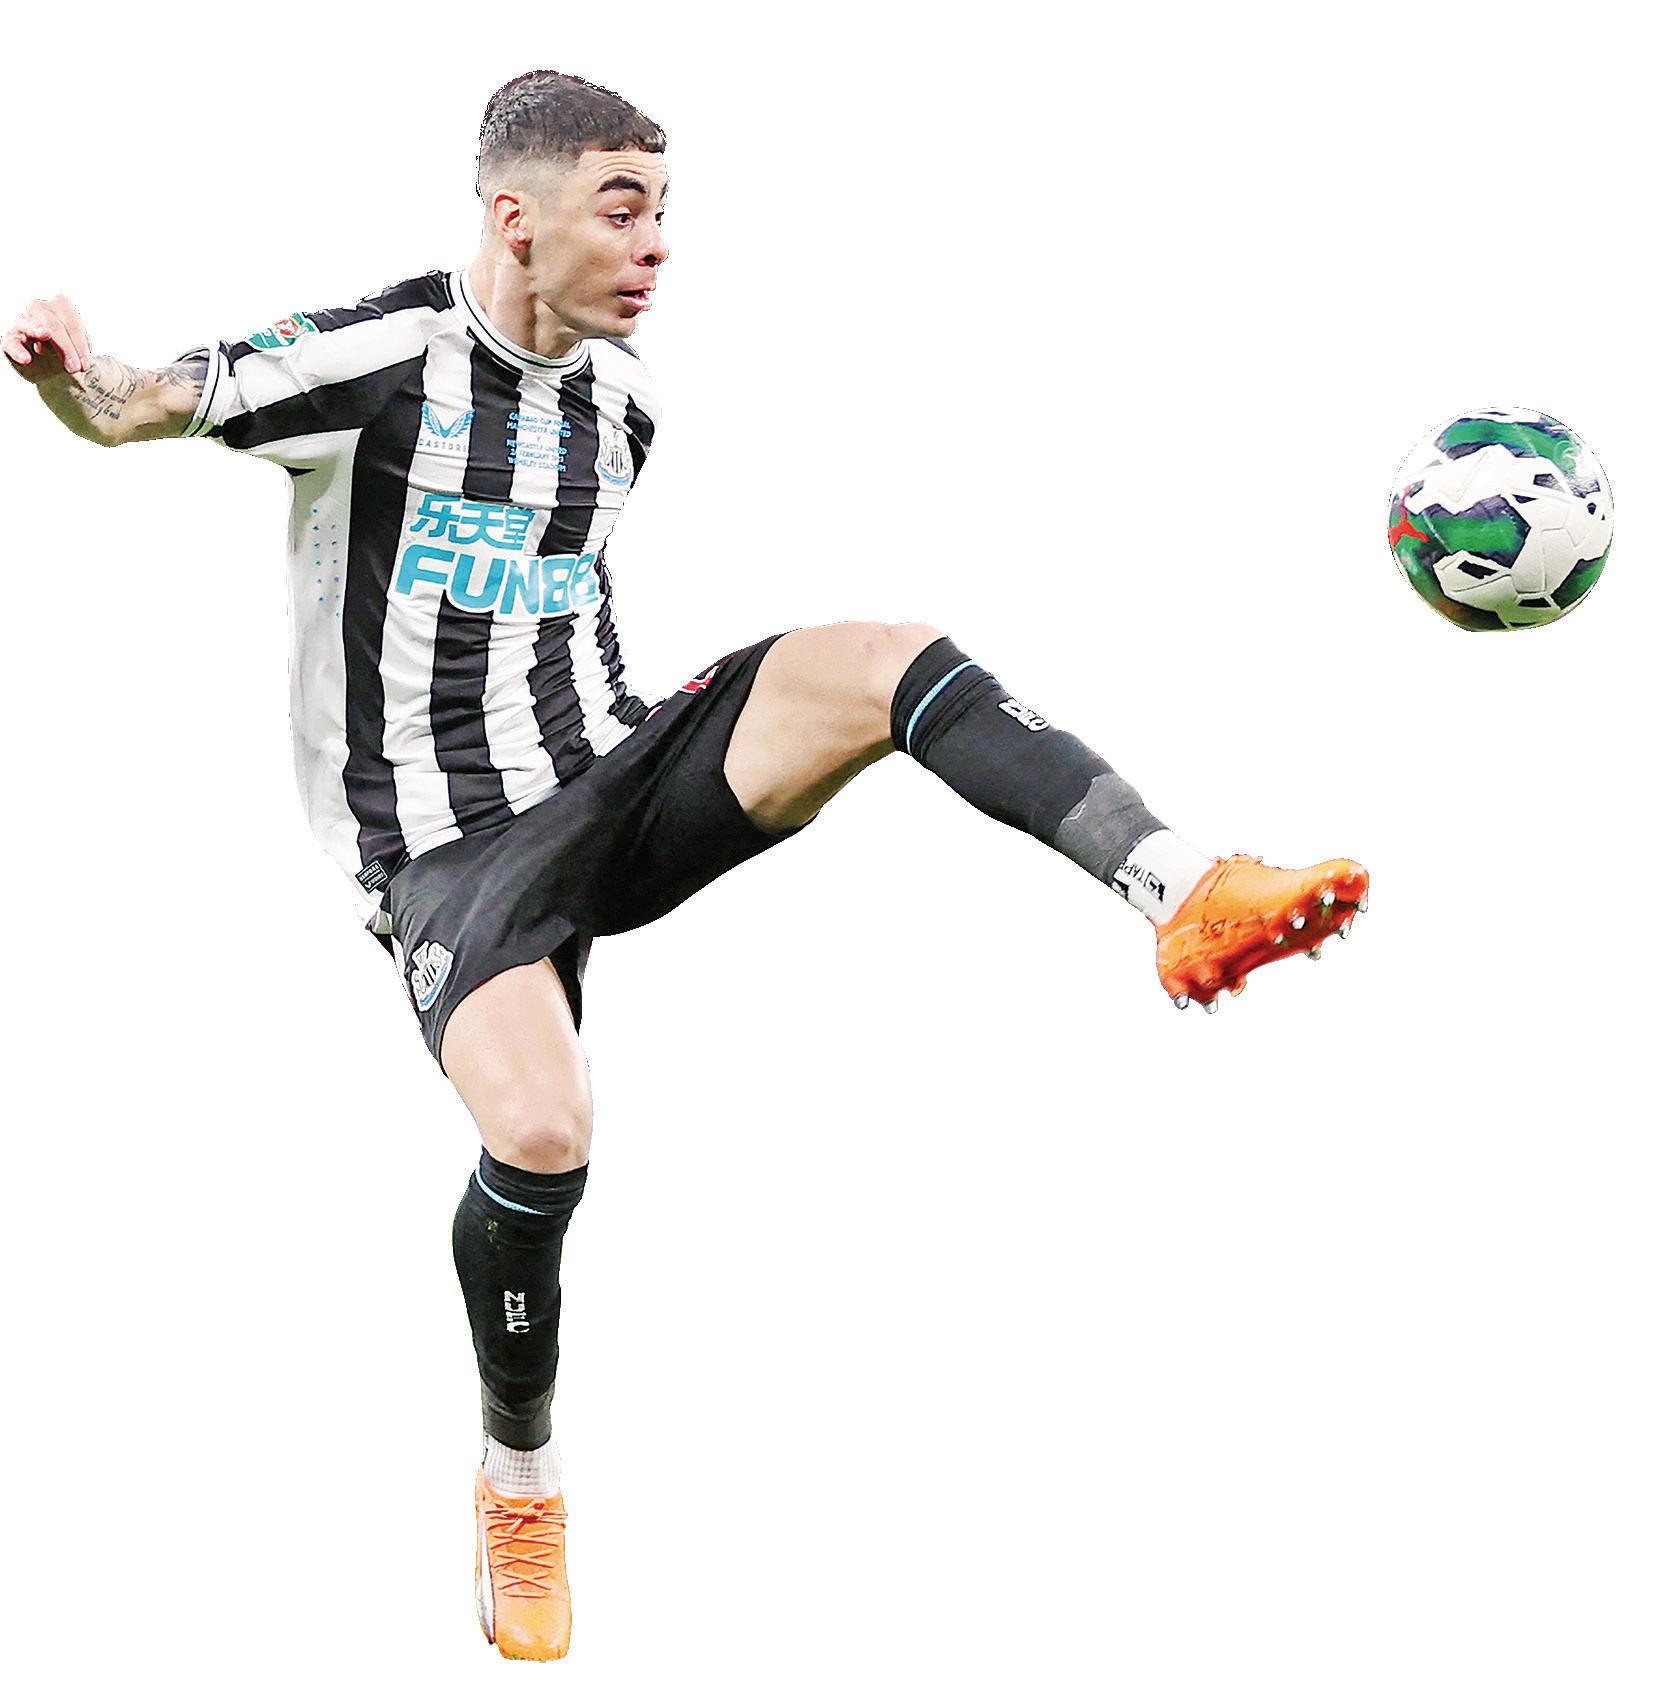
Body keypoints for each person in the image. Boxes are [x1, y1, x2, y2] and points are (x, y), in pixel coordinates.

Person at [4, 69, 1369, 1663]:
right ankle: (521, 1480)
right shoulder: (379, 361)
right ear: (515, 218)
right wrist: (71, 372)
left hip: (616, 769)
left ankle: (1181, 888)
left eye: (665, 209)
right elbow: (140, 403)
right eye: (622, 208)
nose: (655, 244)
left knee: (887, 654)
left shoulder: (621, 404)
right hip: (445, 853)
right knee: (542, 1128)